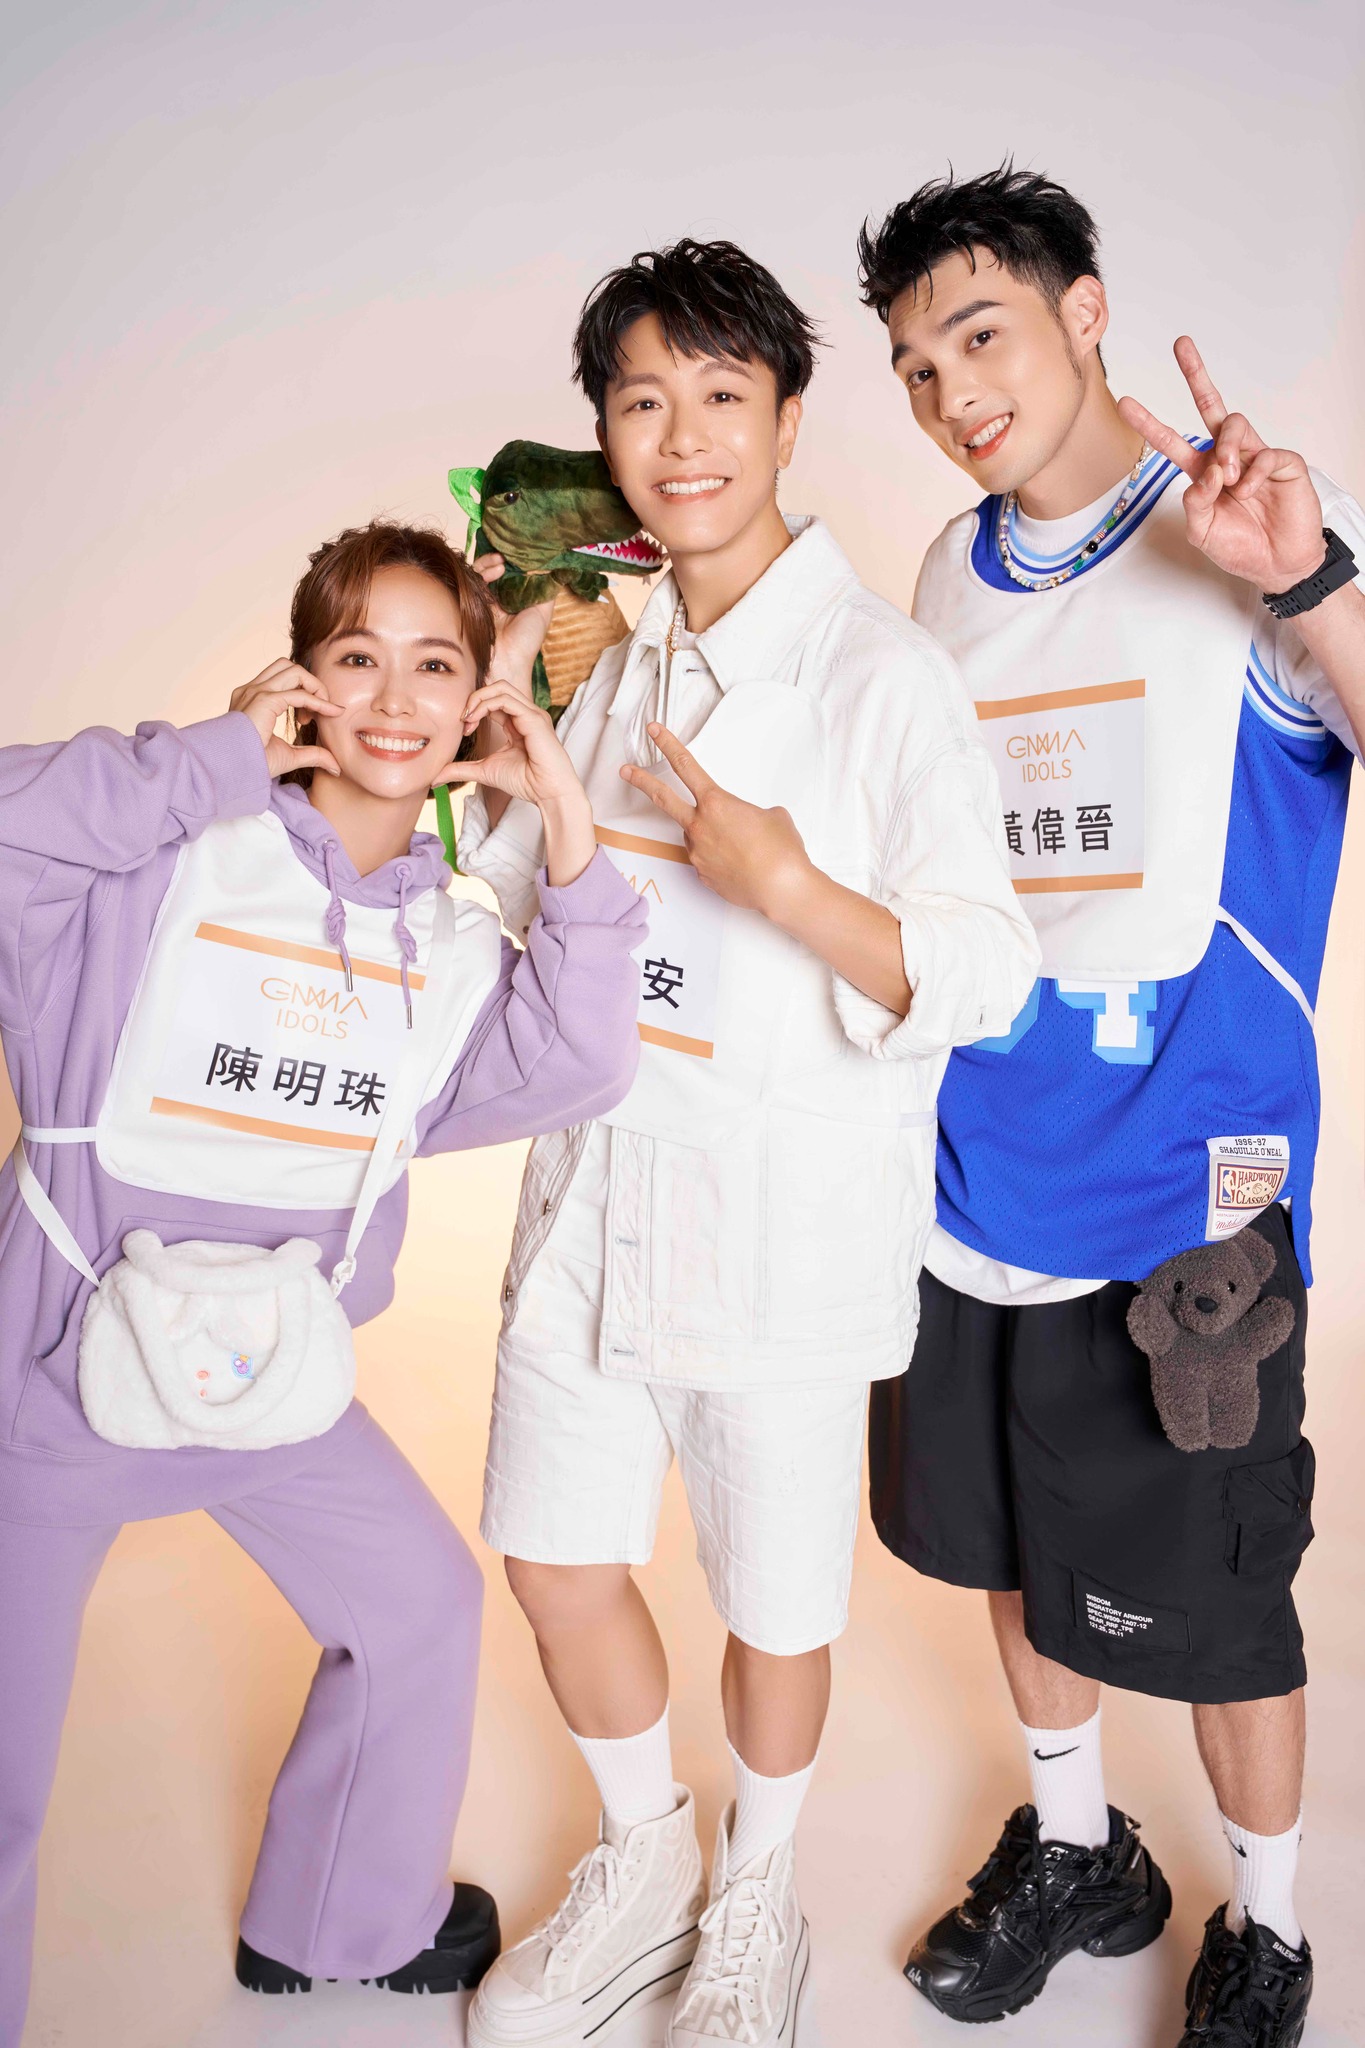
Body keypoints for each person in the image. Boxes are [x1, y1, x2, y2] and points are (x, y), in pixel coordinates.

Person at [456, 237, 1039, 2048]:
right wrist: (472, 761)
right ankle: (644, 1859)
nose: (682, 435)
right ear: (605, 437)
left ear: (788, 419)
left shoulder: (880, 679)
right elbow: (514, 909)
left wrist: (788, 885)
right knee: (555, 1558)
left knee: (774, 1609)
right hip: (591, 1207)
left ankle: (755, 1896)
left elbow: (986, 971)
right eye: (642, 401)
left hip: (778, 1230)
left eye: (722, 393)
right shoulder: (614, 669)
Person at [0, 519, 646, 2047]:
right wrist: (211, 762)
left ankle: (336, 1925)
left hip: (272, 1381)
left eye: (435, 666)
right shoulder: (151, 863)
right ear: (300, 680)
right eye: (358, 657)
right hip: (52, 1383)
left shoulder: (445, 942)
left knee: (418, 1605)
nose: (395, 699)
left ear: (478, 703)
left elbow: (579, 1062)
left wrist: (564, 820)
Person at [857, 164, 1365, 2043]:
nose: (952, 392)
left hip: (1183, 1205)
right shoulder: (942, 576)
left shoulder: (1244, 527)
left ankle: (1271, 1926)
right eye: (916, 368)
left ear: (1084, 313)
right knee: (1004, 1545)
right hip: (968, 1179)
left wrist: (1305, 582)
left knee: (1219, 1609)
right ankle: (1079, 1849)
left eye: (979, 335)